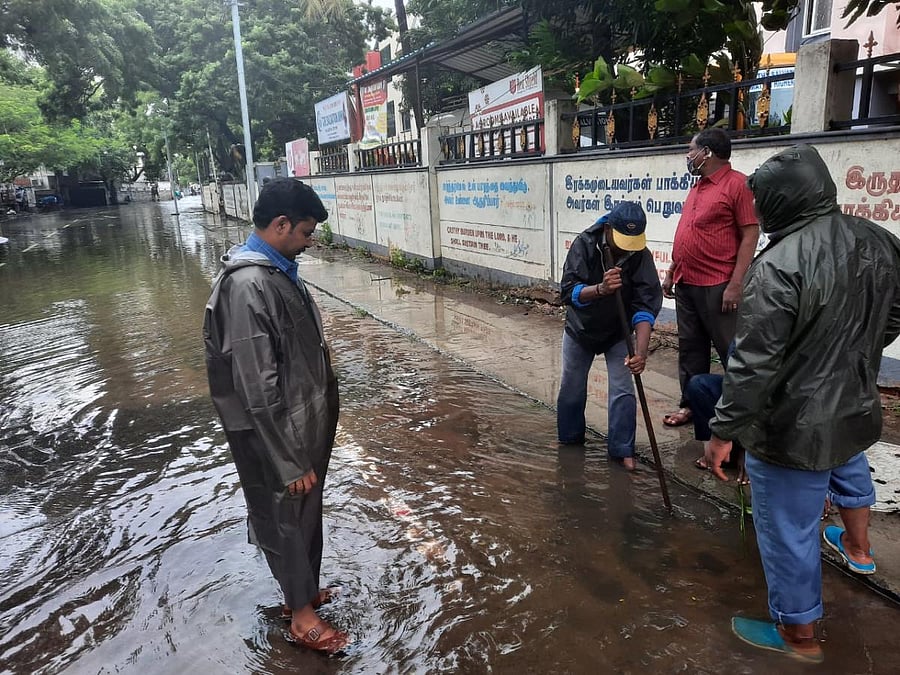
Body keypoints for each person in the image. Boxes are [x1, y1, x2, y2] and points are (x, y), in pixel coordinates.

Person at [704, 145, 900, 662]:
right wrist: (855, 348)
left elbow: (751, 367)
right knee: (851, 472)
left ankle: (798, 636)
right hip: (854, 405)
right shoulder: (880, 241)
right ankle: (859, 552)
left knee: (789, 530)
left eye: (762, 203)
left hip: (791, 425)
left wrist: (723, 433)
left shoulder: (777, 266)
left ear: (780, 203)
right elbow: (894, 312)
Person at [202, 177, 348, 654]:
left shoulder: (276, 270)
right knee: (285, 514)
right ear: (281, 225)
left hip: (299, 423)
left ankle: (300, 595)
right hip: (277, 434)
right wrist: (288, 458)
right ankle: (302, 618)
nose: (309, 242)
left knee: (303, 513)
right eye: (306, 232)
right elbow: (256, 384)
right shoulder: (248, 285)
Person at [662, 128, 758, 428]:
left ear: (708, 153)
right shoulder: (698, 186)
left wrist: (736, 283)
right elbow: (689, 232)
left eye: (691, 150)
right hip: (687, 281)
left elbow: (750, 233)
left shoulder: (737, 185)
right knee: (691, 348)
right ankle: (691, 404)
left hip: (718, 285)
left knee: (732, 351)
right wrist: (672, 271)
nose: (688, 156)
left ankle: (741, 415)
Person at [557, 201, 663, 470]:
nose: (624, 248)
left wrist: (640, 352)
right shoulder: (585, 244)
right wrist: (600, 289)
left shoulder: (640, 254)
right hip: (581, 329)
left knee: (623, 390)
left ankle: (622, 449)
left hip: (619, 333)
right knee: (572, 387)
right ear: (607, 228)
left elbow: (645, 305)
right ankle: (569, 441)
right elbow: (568, 292)